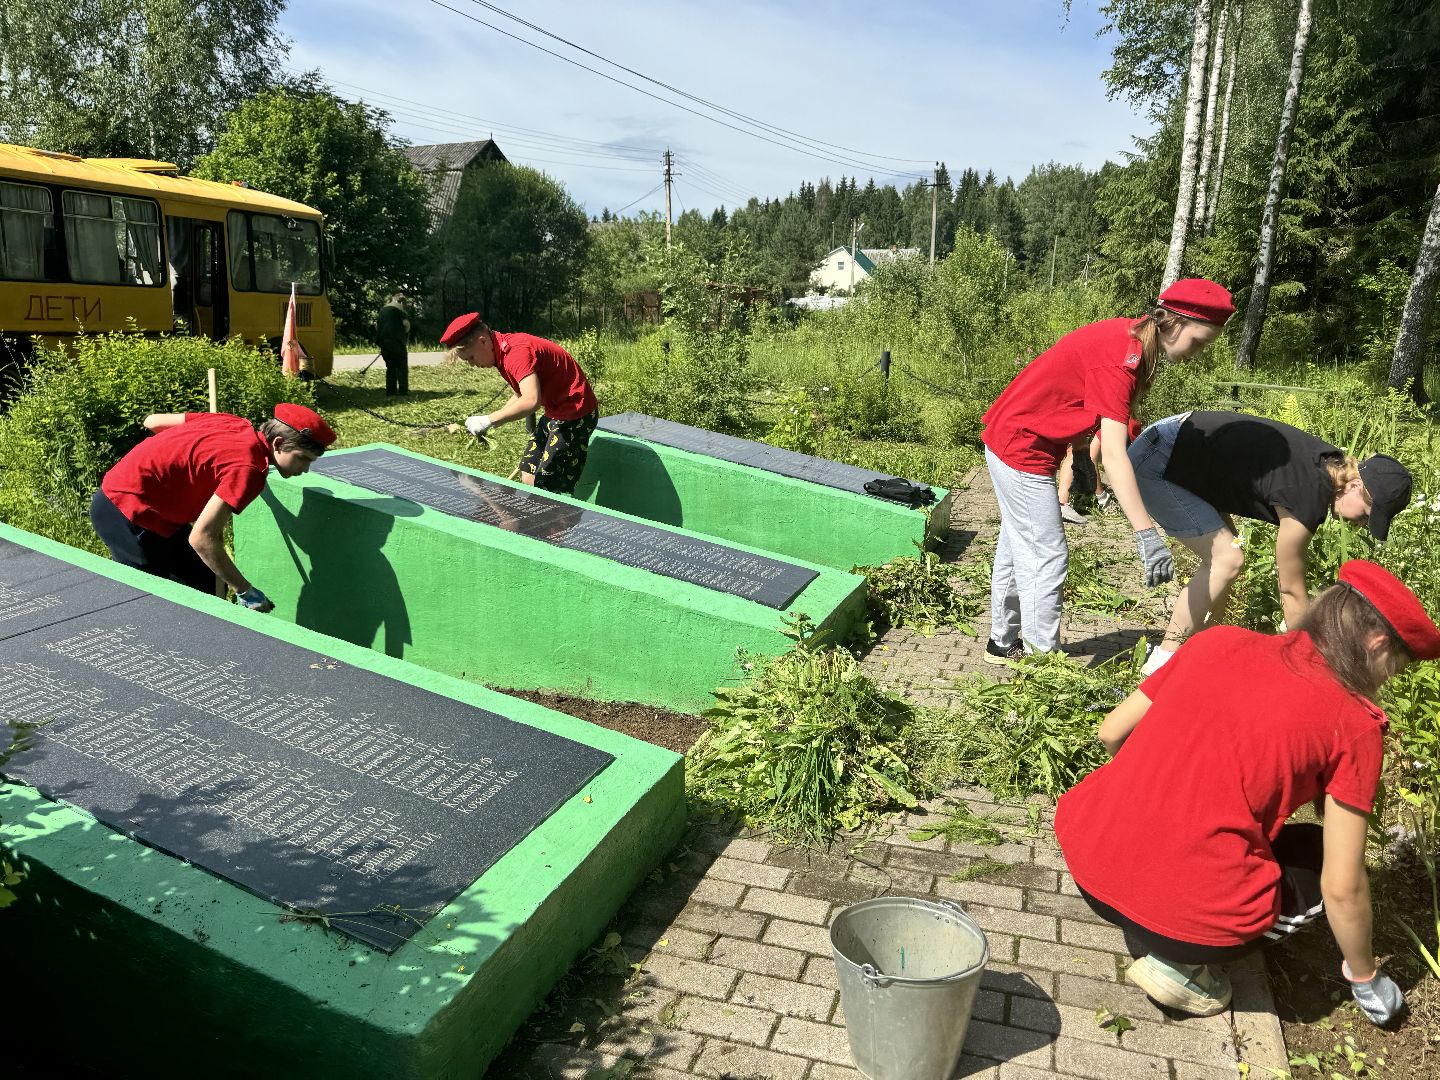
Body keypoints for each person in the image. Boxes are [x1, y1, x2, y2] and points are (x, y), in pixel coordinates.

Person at [1055, 560, 1434, 1025]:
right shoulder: (1354, 725)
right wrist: (1365, 977)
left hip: (1087, 858)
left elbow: (1111, 732)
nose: (1386, 680)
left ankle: (1155, 908)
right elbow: (1342, 886)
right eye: (1393, 667)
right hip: (1183, 916)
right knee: (1314, 859)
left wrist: (1155, 813)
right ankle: (1182, 965)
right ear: (1377, 644)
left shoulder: (1218, 641)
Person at [980, 279, 1234, 663]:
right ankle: (1042, 665)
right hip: (1021, 446)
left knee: (1020, 546)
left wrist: (1080, 453)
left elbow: (1078, 396)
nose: (1198, 353)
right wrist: (1146, 534)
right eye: (1198, 341)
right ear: (1175, 324)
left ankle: (1003, 642)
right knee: (1046, 555)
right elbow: (1115, 456)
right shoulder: (1123, 358)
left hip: (1019, 437)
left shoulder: (1133, 341)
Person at [1129, 410, 1413, 675]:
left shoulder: (1327, 464)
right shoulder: (1309, 495)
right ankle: (1160, 666)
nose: (1361, 523)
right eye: (1366, 514)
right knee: (1227, 560)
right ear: (1354, 486)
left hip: (1171, 442)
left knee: (1231, 554)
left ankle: (1202, 649)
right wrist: (1309, 663)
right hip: (1158, 459)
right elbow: (1291, 591)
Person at [89, 403, 336, 611]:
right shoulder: (249, 470)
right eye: (302, 458)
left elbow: (153, 421)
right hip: (126, 514)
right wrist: (245, 590)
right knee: (155, 604)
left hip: (149, 511)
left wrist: (185, 461)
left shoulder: (234, 424)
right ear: (279, 443)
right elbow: (202, 538)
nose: (304, 469)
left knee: (201, 583)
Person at [440, 313, 599, 495]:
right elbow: (520, 394)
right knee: (529, 471)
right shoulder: (502, 352)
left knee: (548, 484)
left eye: (471, 358)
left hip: (574, 413)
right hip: (556, 410)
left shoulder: (515, 353)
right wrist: (490, 421)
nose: (472, 365)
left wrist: (489, 420)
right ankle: (540, 514)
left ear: (483, 341)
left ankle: (557, 520)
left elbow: (531, 400)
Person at [1057, 418, 1145, 525]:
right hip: (1091, 420)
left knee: (1074, 451)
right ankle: (1062, 504)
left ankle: (1061, 504)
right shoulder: (1117, 422)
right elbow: (1091, 458)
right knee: (1076, 451)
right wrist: (1103, 498)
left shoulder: (1116, 421)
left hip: (1078, 416)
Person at [374, 293, 411, 397]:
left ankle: (391, 392)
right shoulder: (399, 309)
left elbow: (377, 326)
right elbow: (406, 324)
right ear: (401, 302)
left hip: (384, 342)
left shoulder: (383, 310)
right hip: (397, 343)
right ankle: (403, 391)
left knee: (390, 367)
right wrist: (404, 333)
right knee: (401, 367)